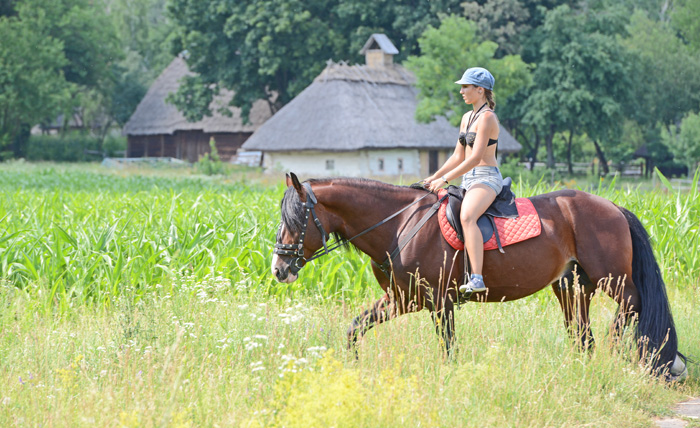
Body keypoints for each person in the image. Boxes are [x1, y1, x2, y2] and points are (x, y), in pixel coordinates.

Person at [423, 67, 503, 294]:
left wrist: (446, 179)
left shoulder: (487, 118)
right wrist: (434, 177)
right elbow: (458, 156)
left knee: (467, 216)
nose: (461, 91)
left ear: (480, 90)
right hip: (469, 179)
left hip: (486, 178)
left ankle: (477, 278)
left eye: (466, 87)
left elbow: (476, 157)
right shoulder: (467, 117)